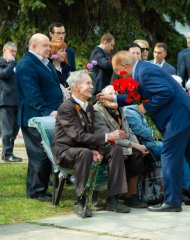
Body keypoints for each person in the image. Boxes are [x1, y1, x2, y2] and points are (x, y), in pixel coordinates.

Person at [98, 51, 190, 212]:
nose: (118, 75)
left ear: (124, 66)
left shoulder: (145, 72)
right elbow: (141, 94)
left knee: (168, 155)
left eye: (117, 70)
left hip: (178, 117)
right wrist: (115, 99)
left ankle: (172, 201)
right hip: (187, 114)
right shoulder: (143, 69)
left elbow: (165, 92)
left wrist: (146, 106)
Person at [52, 70, 130, 217]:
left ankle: (112, 198)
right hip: (65, 151)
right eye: (88, 83)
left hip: (83, 149)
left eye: (91, 83)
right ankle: (80, 202)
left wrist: (96, 149)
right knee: (85, 153)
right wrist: (106, 136)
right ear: (76, 86)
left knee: (115, 149)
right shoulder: (66, 107)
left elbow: (91, 134)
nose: (92, 86)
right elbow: (77, 136)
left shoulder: (88, 106)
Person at [16, 33, 63, 201]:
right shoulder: (26, 65)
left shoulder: (46, 63)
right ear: (34, 46)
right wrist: (46, 111)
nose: (49, 49)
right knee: (39, 154)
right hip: (34, 117)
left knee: (46, 153)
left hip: (48, 116)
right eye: (45, 46)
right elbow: (31, 94)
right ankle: (35, 191)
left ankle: (40, 188)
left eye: (49, 46)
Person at [94, 85, 148, 208]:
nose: (114, 97)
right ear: (101, 98)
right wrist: (132, 144)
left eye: (116, 94)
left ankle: (131, 196)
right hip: (105, 146)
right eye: (111, 94)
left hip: (123, 145)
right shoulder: (97, 111)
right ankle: (115, 197)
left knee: (141, 153)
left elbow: (129, 132)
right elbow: (106, 136)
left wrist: (138, 145)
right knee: (132, 153)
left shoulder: (120, 110)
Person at [0, 42, 22, 162]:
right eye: (11, 51)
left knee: (14, 130)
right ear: (4, 50)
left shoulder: (16, 65)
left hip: (18, 101)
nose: (14, 54)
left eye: (15, 51)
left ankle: (9, 153)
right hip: (6, 101)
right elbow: (4, 75)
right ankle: (7, 154)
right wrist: (12, 62)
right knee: (7, 130)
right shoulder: (1, 62)